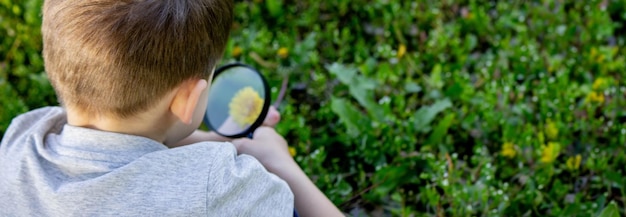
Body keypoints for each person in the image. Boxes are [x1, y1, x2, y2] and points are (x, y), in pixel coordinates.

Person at [0, 0, 343, 216]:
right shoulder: (220, 187)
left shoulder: (22, 140)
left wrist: (226, 141)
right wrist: (279, 162)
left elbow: (120, 152)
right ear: (188, 99)